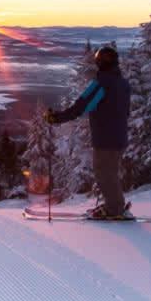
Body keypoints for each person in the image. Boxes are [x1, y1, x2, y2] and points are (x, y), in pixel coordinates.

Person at [45, 45, 132, 219]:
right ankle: (115, 205)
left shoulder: (101, 84)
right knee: (111, 173)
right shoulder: (122, 82)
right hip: (119, 136)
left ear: (100, 62)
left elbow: (81, 106)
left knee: (104, 173)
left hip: (105, 138)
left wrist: (57, 118)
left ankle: (114, 209)